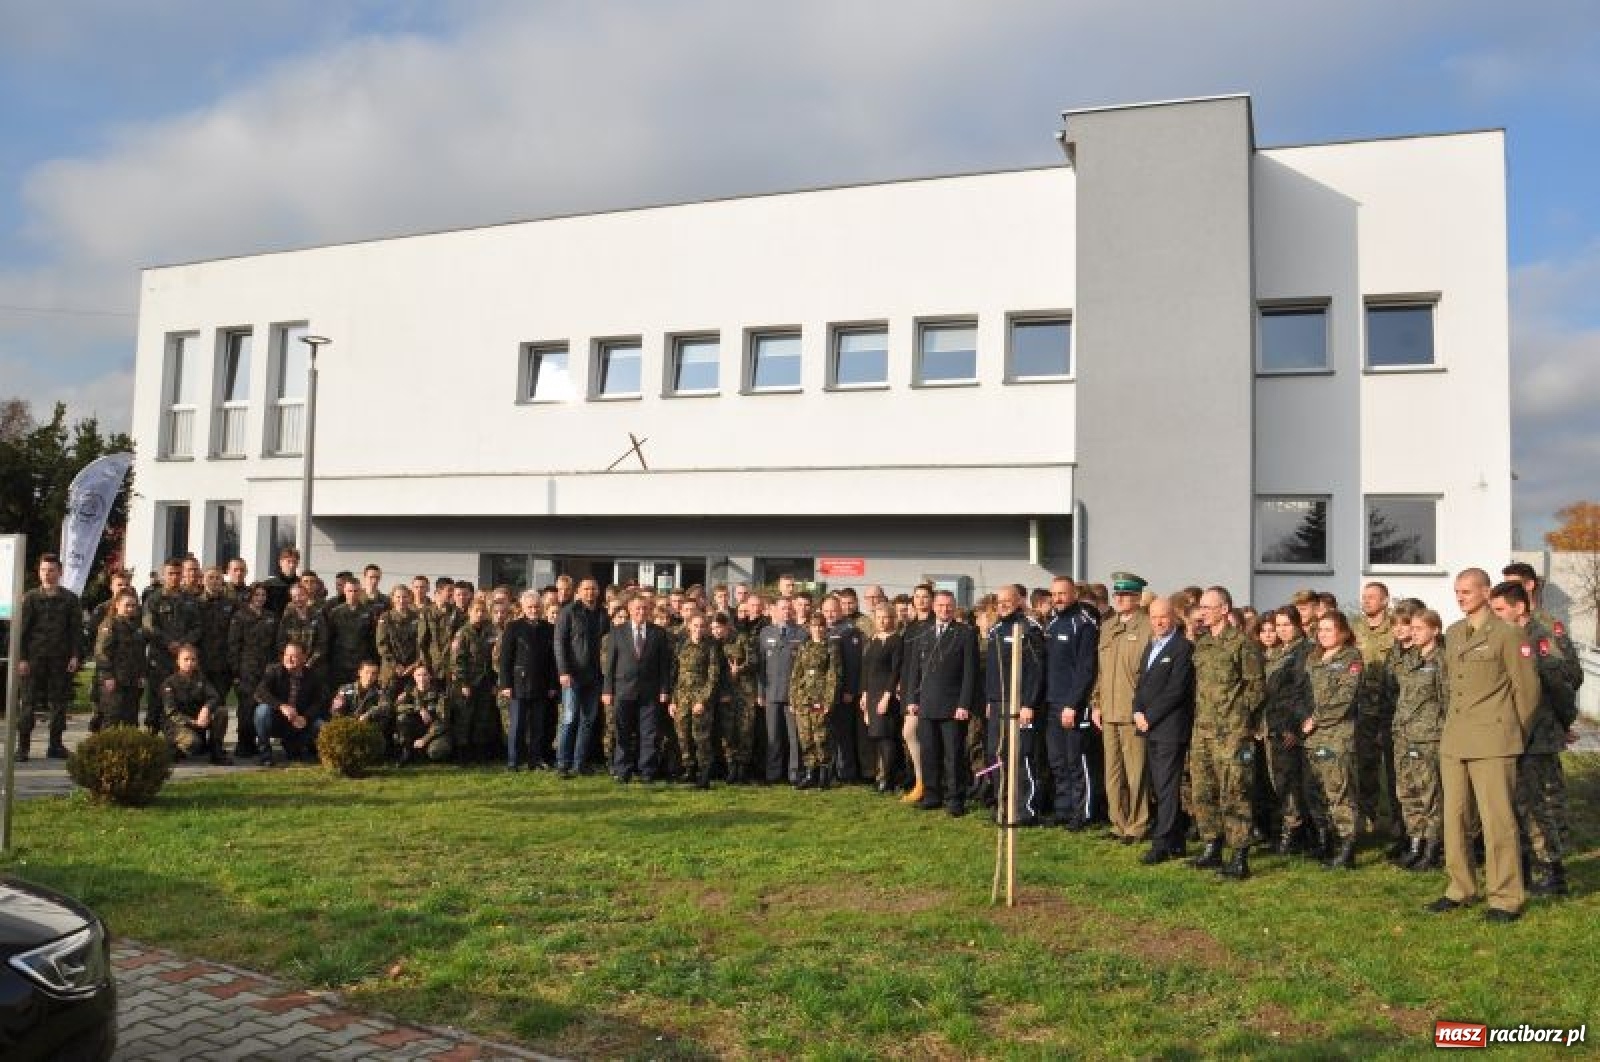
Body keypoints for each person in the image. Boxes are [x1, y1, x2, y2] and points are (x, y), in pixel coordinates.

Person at [1426, 570, 1538, 922]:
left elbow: (1528, 691)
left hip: (1494, 739)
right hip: (1456, 738)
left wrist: (1512, 732)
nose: (1460, 597)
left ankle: (1506, 897)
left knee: (1497, 821)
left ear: (1487, 592)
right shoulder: (1454, 633)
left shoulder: (1508, 634)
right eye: (1456, 592)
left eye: (1467, 591)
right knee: (1455, 818)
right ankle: (1460, 887)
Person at [1490, 581, 1579, 898]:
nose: (1496, 615)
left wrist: (1562, 722)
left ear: (1519, 607)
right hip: (1514, 733)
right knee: (1521, 804)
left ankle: (1552, 872)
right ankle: (1528, 864)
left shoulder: (1539, 639)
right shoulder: (1508, 638)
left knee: (1541, 805)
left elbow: (1561, 686)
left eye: (1500, 609)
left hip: (1539, 734)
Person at [1187, 586, 1264, 879]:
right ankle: (1212, 847)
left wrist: (1239, 716)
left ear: (1224, 609)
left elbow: (1256, 687)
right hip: (1203, 729)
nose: (1203, 611)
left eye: (1208, 607)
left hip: (1231, 732)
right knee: (1203, 790)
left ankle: (1240, 855)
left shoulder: (1242, 643)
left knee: (1235, 792)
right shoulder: (1203, 644)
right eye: (1201, 607)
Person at [904, 590, 979, 817]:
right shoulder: (923, 632)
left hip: (953, 706)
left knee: (953, 755)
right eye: (940, 605)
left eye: (949, 606)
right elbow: (914, 669)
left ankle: (955, 799)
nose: (944, 610)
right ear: (933, 607)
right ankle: (932, 795)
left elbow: (970, 673)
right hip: (926, 703)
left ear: (954, 607)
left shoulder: (965, 633)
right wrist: (911, 699)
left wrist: (964, 704)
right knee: (929, 752)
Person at [1091, 573, 1151, 842]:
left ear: (1137, 598)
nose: (1119, 599)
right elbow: (1101, 673)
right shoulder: (1108, 626)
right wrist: (1096, 704)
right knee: (1112, 772)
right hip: (1109, 710)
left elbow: (1149, 674)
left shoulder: (1147, 627)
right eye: (1117, 595)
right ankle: (1118, 822)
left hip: (1132, 712)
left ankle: (1137, 825)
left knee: (1136, 771)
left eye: (1125, 595)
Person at [1134, 598, 1195, 864]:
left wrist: (1150, 716)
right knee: (1160, 785)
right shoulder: (1152, 645)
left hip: (1169, 727)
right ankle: (1176, 841)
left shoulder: (1182, 648)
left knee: (1167, 786)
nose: (1159, 622)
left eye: (1164, 617)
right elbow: (1142, 683)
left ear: (1174, 617)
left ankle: (1162, 842)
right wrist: (1136, 710)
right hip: (1149, 725)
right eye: (1154, 617)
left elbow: (1176, 690)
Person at [1302, 613, 1364, 869]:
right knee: (1315, 791)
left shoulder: (1351, 658)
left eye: (1329, 629)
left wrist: (1315, 719)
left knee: (1338, 791)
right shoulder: (1314, 658)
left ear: (1343, 632)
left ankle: (1347, 847)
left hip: (1336, 734)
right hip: (1311, 736)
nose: (1323, 634)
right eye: (1321, 630)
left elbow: (1344, 698)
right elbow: (1302, 691)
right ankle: (1325, 841)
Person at [1388, 608, 1447, 871]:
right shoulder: (1408, 658)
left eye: (1419, 628)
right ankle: (1415, 844)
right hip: (1403, 735)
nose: (1413, 633)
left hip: (1429, 737)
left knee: (1430, 795)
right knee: (1407, 793)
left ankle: (1433, 849)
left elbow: (1448, 700)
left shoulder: (1442, 660)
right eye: (1411, 628)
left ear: (1435, 629)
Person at [985, 584, 1046, 826]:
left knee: (1022, 756)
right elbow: (992, 670)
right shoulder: (995, 630)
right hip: (998, 703)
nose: (1003, 605)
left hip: (1020, 703)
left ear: (1019, 601)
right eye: (999, 601)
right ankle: (1002, 803)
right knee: (997, 754)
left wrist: (1029, 703)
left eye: (1007, 600)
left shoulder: (1029, 629)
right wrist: (991, 700)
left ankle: (1025, 809)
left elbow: (1037, 669)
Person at [1044, 576, 1100, 831]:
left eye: (1062, 594)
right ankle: (1063, 808)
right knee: (1057, 760)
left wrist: (1073, 704)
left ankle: (1083, 812)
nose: (1057, 599)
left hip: (1073, 705)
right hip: (1052, 702)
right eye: (1054, 594)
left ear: (1074, 594)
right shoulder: (1053, 623)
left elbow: (1086, 669)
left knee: (1077, 760)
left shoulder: (1084, 624)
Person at [15, 553, 83, 760]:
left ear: (60, 572)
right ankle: (23, 747)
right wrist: (22, 658)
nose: (47, 574)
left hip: (60, 659)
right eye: (44, 570)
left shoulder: (70, 599)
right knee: (27, 702)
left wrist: (75, 656)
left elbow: (75, 631)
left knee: (59, 703)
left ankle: (55, 745)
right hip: (34, 658)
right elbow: (21, 632)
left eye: (52, 570)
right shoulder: (30, 598)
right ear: (39, 572)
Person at [1352, 581, 1402, 852]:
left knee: (1393, 768)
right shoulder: (1355, 629)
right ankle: (1369, 821)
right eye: (1364, 597)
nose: (1367, 601)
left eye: (1372, 597)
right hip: (1361, 708)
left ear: (1385, 601)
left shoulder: (1394, 629)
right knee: (1364, 765)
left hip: (1388, 706)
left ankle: (1396, 821)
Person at [604, 595, 673, 783]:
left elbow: (664, 665)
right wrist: (607, 690)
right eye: (637, 608)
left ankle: (647, 771)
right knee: (623, 732)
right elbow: (610, 664)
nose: (641, 612)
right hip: (623, 690)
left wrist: (664, 689)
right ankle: (622, 770)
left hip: (650, 692)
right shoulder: (617, 632)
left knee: (649, 733)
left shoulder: (658, 633)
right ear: (629, 609)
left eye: (644, 608)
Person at [1261, 609, 1313, 855]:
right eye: (1278, 625)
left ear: (1298, 625)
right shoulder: (1279, 653)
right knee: (1278, 781)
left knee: (1289, 782)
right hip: (1273, 726)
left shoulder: (1303, 652)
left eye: (1286, 625)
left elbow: (1300, 693)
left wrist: (1293, 727)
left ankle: (1294, 833)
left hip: (1288, 728)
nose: (1281, 630)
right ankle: (1288, 830)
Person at [554, 578, 608, 778]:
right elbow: (559, 643)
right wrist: (563, 671)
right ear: (578, 591)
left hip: (595, 677)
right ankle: (562, 763)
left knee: (588, 720)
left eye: (594, 588)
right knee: (569, 719)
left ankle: (580, 763)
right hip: (573, 675)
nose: (590, 592)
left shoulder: (603, 614)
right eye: (586, 589)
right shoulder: (568, 612)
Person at [499, 590, 558, 771]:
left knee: (538, 726)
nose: (534, 610)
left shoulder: (549, 628)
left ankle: (535, 760)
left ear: (542, 607)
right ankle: (513, 761)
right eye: (530, 607)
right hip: (518, 684)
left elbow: (553, 660)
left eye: (537, 607)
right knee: (517, 726)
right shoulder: (513, 627)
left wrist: (552, 685)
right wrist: (506, 684)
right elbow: (505, 659)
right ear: (523, 608)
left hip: (541, 684)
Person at [143, 559, 202, 733]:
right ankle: (151, 736)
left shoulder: (190, 600)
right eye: (170, 573)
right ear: (163, 575)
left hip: (183, 661)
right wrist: (168, 642)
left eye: (178, 573)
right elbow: (148, 627)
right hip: (160, 658)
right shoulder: (154, 599)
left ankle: (177, 738)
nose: (174, 577)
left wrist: (182, 645)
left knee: (180, 699)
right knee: (155, 698)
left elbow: (198, 627)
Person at [669, 612, 725, 788]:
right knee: (683, 736)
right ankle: (689, 770)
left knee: (701, 738)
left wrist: (703, 700)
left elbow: (713, 677)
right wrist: (673, 700)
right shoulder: (681, 646)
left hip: (701, 698)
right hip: (682, 697)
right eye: (695, 626)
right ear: (689, 627)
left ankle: (704, 773)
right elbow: (675, 675)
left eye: (702, 626)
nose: (698, 629)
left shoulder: (711, 647)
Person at [787, 613, 842, 790]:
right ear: (809, 628)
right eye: (814, 626)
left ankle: (824, 775)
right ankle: (810, 773)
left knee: (821, 736)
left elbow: (834, 676)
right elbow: (796, 674)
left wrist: (828, 701)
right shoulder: (804, 647)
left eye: (820, 626)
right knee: (805, 737)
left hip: (820, 698)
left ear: (825, 628)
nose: (817, 629)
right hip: (803, 698)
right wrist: (793, 699)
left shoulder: (831, 648)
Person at [252, 641, 327, 766]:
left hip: (298, 722)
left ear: (304, 658)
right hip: (276, 719)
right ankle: (265, 753)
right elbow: (260, 692)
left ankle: (302, 747)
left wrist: (306, 717)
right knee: (262, 711)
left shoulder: (312, 676)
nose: (289, 659)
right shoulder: (274, 670)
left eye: (294, 656)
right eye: (286, 655)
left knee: (319, 724)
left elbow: (319, 701)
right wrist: (281, 706)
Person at [756, 597, 805, 785]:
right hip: (771, 693)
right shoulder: (765, 633)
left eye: (789, 609)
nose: (786, 612)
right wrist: (760, 692)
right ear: (774, 610)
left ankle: (795, 774)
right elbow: (761, 666)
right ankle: (773, 774)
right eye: (783, 608)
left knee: (795, 737)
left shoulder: (801, 634)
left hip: (793, 694)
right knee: (773, 736)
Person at [860, 603, 904, 794]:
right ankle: (879, 775)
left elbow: (896, 671)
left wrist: (887, 696)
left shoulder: (896, 641)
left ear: (892, 619)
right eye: (879, 618)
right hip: (872, 693)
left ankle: (889, 778)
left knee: (887, 736)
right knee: (876, 736)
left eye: (886, 617)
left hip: (887, 694)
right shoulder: (872, 640)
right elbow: (866, 670)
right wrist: (864, 694)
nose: (882, 621)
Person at [159, 644, 231, 764]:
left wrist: (206, 708)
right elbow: (171, 712)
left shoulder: (201, 679)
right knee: (193, 743)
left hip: (197, 721)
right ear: (178, 661)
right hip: (176, 724)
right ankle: (175, 749)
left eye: (193, 659)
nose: (190, 662)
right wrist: (194, 722)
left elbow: (214, 696)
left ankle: (216, 752)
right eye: (186, 659)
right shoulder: (169, 683)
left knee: (221, 712)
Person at [711, 611, 757, 784]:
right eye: (713, 628)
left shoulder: (741, 639)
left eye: (719, 628)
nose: (716, 631)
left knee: (745, 731)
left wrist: (740, 668)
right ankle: (731, 768)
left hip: (744, 694)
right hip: (725, 695)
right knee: (727, 733)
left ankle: (742, 769)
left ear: (726, 627)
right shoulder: (712, 644)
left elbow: (754, 661)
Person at [91, 591, 147, 732]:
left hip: (132, 680)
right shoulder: (110, 624)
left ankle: (128, 753)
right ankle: (106, 752)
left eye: (133, 605)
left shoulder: (136, 627)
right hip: (114, 680)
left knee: (131, 720)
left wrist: (141, 675)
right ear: (117, 605)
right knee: (112, 719)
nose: (130, 609)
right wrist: (108, 676)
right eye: (127, 605)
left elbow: (140, 654)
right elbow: (102, 653)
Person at [451, 597, 498, 763]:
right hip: (468, 682)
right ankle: (462, 753)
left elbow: (496, 658)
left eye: (483, 611)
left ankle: (480, 752)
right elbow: (457, 660)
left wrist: (494, 683)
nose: (480, 614)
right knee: (465, 718)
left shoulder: (491, 631)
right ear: (470, 612)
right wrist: (463, 683)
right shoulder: (462, 633)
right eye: (476, 611)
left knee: (482, 717)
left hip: (485, 681)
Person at [332, 659, 394, 757]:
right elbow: (336, 711)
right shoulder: (345, 690)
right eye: (367, 672)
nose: (370, 676)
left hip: (370, 729)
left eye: (373, 673)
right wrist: (348, 723)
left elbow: (385, 706)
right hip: (349, 728)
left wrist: (368, 714)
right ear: (360, 673)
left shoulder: (380, 691)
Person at [394, 665, 451, 765]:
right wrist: (420, 709)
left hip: (434, 733)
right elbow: (397, 708)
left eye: (425, 675)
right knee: (402, 718)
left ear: (430, 677)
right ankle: (407, 752)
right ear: (414, 677)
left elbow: (442, 721)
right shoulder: (407, 694)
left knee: (436, 751)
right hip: (416, 730)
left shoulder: (440, 694)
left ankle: (424, 753)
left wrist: (425, 739)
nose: (421, 678)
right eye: (418, 675)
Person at [327, 577, 377, 690]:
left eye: (356, 591)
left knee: (359, 691)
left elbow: (372, 638)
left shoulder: (368, 612)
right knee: (339, 693)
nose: (353, 594)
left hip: (360, 661)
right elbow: (330, 638)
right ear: (344, 591)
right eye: (350, 591)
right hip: (340, 661)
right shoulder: (335, 612)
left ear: (360, 591)